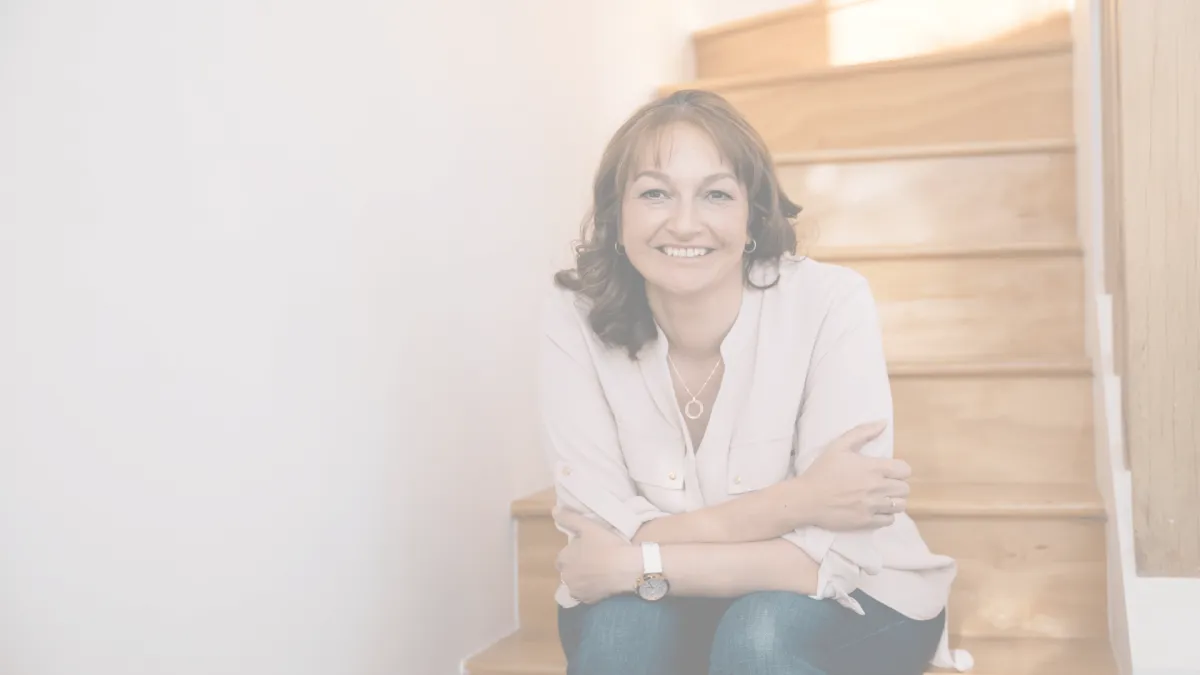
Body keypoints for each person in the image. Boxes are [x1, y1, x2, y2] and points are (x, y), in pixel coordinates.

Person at [538, 89, 973, 675]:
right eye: (655, 193)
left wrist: (637, 563)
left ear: (752, 218)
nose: (684, 222)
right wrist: (801, 501)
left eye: (716, 194)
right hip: (660, 602)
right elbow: (598, 533)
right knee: (620, 638)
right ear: (616, 218)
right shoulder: (575, 316)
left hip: (855, 596)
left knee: (757, 639)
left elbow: (830, 555)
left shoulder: (830, 302)